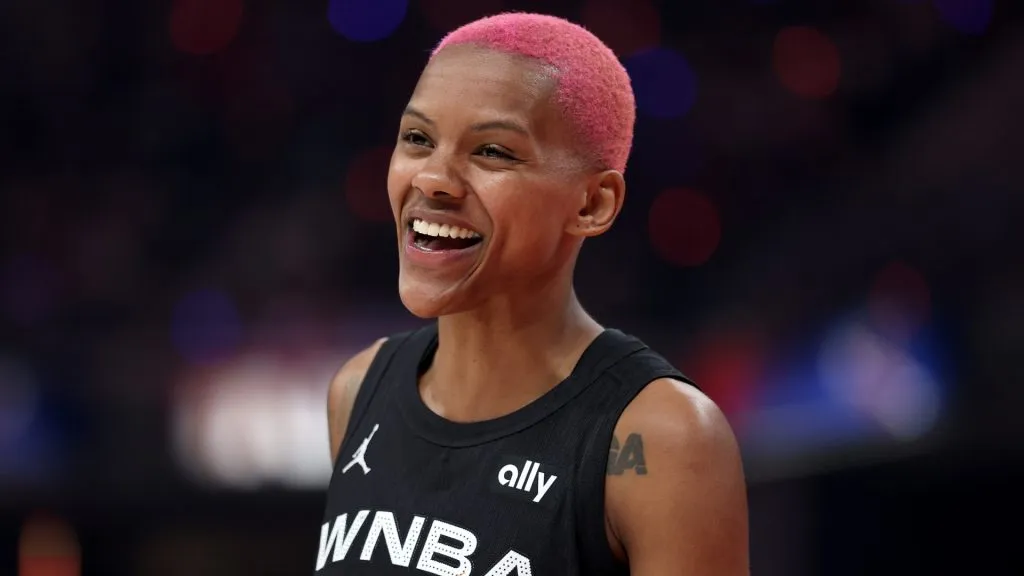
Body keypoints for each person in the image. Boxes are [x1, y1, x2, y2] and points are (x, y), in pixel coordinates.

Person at [316, 12, 749, 575]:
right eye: (418, 139)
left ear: (593, 204)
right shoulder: (356, 391)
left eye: (493, 151)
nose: (432, 179)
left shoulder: (665, 439)